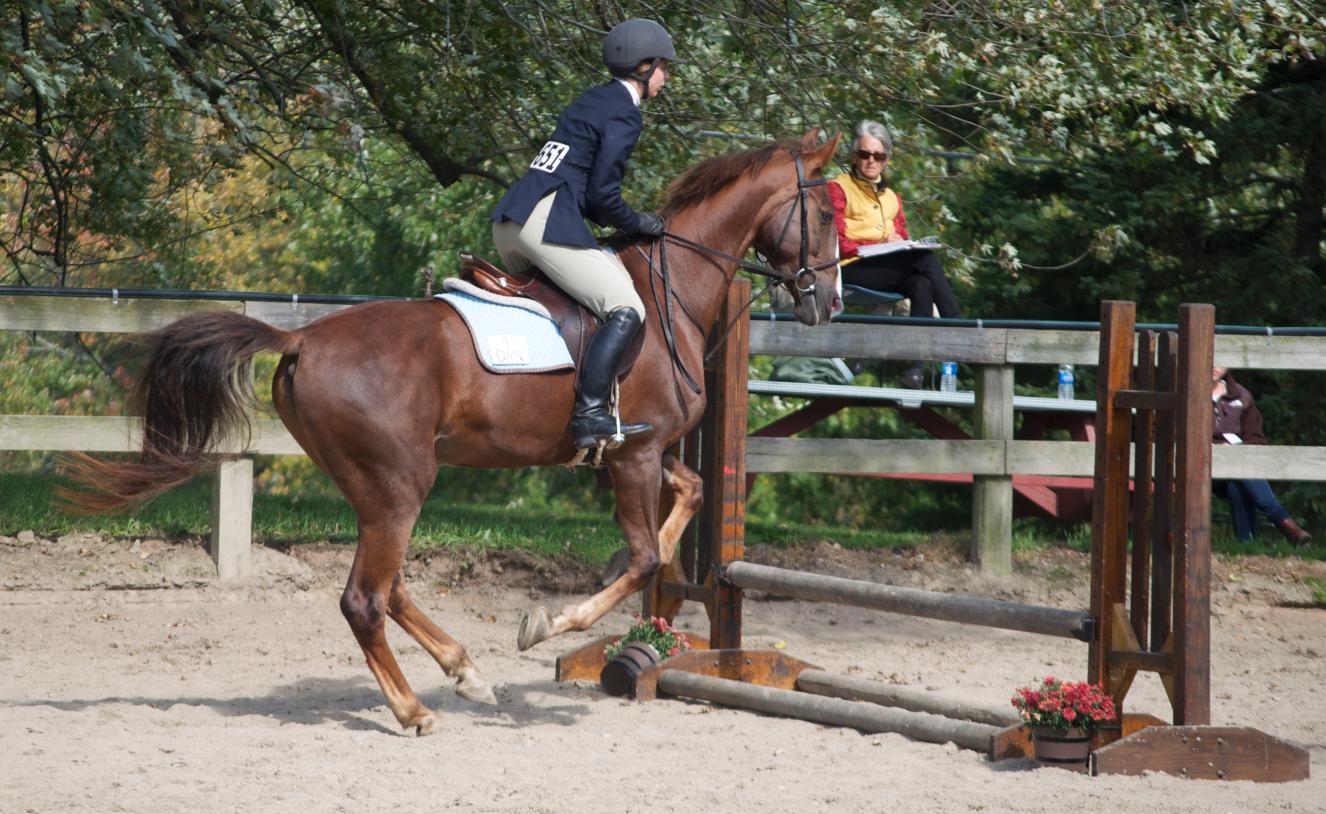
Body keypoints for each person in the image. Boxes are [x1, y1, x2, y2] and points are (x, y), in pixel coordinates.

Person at [490, 19, 675, 450]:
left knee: (572, 309)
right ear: (645, 66)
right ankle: (590, 414)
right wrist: (639, 222)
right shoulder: (625, 113)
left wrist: (616, 218)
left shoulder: (592, 99)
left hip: (511, 222)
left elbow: (586, 192)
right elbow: (604, 197)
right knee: (626, 307)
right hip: (545, 223)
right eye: (665, 67)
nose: (668, 77)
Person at [828, 120, 961, 389]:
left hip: (885, 269)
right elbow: (837, 243)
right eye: (864, 154)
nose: (871, 161)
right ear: (854, 156)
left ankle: (915, 369)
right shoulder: (837, 188)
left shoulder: (892, 197)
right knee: (926, 260)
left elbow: (900, 237)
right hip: (851, 267)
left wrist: (900, 243)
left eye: (878, 156)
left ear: (887, 159)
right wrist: (878, 241)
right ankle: (958, 326)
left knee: (921, 283)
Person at [1212, 367, 1311, 545]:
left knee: (1237, 483)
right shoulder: (1188, 393)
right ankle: (1286, 524)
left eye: (1221, 358)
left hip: (1238, 466)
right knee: (1240, 474)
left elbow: (1256, 440)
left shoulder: (1242, 396)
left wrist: (1236, 448)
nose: (1214, 365)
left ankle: (1246, 544)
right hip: (1204, 466)